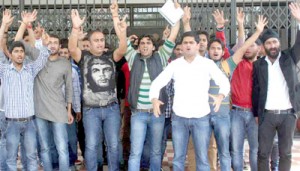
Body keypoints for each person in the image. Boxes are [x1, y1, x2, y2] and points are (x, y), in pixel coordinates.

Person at [149, 30, 230, 171]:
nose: (187, 45)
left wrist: (221, 95)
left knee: (202, 159)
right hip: (179, 119)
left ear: (198, 45)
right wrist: (154, 98)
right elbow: (157, 82)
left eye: (191, 43)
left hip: (201, 119)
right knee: (178, 160)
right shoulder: (175, 65)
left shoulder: (207, 64)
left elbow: (224, 82)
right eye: (185, 43)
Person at [68, 1, 127, 170]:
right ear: (90, 42)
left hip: (111, 108)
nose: (100, 43)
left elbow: (122, 50)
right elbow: (72, 48)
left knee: (114, 144)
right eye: (96, 40)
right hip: (90, 110)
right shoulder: (84, 57)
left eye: (102, 40)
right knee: (92, 145)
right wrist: (75, 28)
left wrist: (121, 32)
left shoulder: (110, 55)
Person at [125, 0, 180, 169]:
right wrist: (127, 37)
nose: (145, 45)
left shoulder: (161, 57)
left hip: (157, 114)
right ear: (138, 47)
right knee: (136, 151)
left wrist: (176, 16)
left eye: (148, 43)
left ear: (154, 47)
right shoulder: (133, 58)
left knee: (156, 151)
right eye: (142, 43)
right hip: (138, 114)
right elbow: (123, 43)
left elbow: (173, 35)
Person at [0, 9, 50, 171]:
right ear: (11, 54)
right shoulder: (5, 71)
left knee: (30, 156)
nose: (20, 54)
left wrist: (42, 41)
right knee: (11, 158)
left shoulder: (30, 69)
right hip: (11, 123)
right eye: (16, 51)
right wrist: (3, 25)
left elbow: (42, 56)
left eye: (22, 51)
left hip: (29, 122)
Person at [252, 3, 300, 171]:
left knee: (285, 153)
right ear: (264, 46)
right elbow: (256, 90)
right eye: (269, 43)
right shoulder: (259, 64)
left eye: (274, 42)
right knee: (263, 153)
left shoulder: (290, 58)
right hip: (267, 116)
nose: (272, 45)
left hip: (288, 115)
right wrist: (256, 114)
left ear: (279, 43)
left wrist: (299, 20)